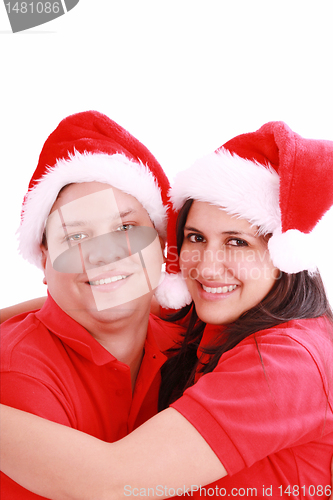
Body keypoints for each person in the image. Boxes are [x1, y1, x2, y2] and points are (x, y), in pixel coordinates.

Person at [1, 121, 333, 499]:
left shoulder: (283, 362)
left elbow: (112, 482)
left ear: (284, 255)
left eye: (238, 243)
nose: (208, 268)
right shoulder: (207, 318)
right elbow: (114, 288)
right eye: (196, 237)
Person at [0, 110, 189, 499]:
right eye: (76, 237)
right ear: (45, 259)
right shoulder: (17, 372)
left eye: (124, 228)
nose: (103, 255)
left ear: (162, 244)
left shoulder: (192, 340)